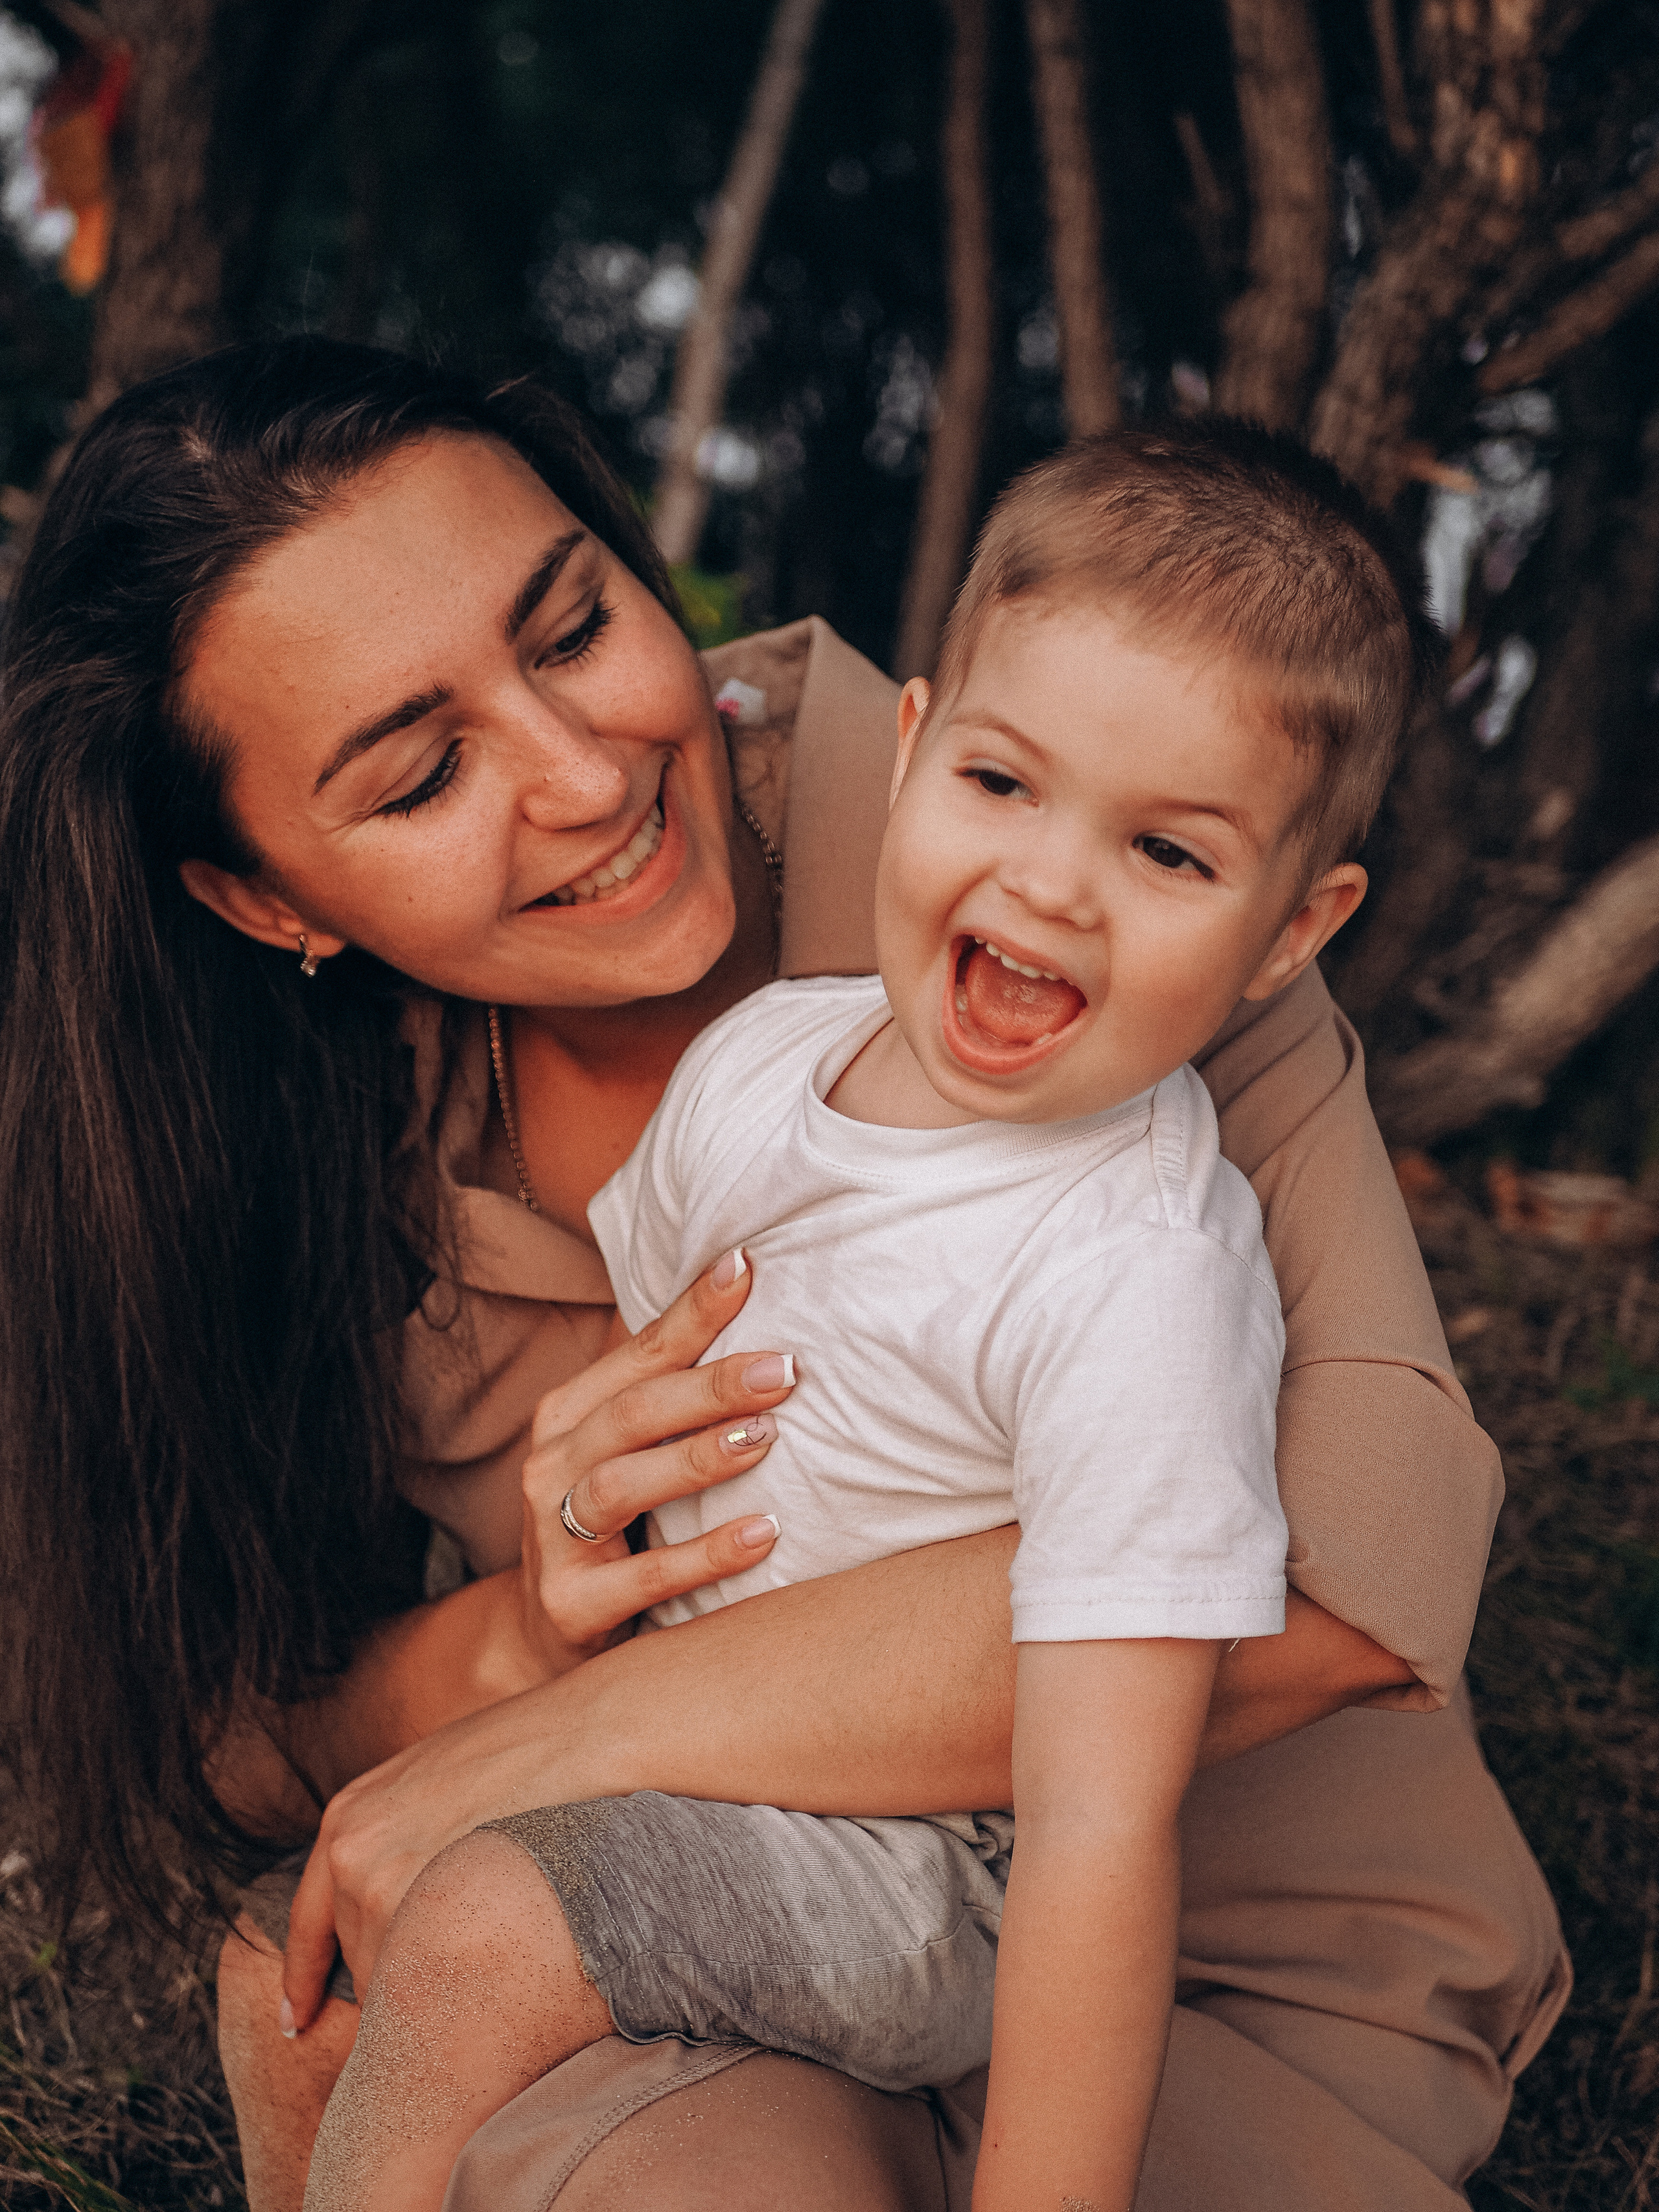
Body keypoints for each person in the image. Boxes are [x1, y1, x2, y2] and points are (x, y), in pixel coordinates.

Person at [0, 340, 1566, 2212]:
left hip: (1216, 1962)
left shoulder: (1090, 835)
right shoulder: (278, 1111)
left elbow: (1343, 1571)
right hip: (710, 1944)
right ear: (265, 898)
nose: (585, 777)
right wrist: (519, 1631)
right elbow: (238, 1724)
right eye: (425, 774)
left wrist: (560, 1738)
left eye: (575, 630)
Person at [297, 424, 1408, 2212]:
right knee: (319, 2007)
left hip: (934, 1867)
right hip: (715, 1777)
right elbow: (648, 1387)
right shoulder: (766, 1064)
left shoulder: (1136, 1268)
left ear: (1293, 935)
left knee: (484, 1918)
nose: (1051, 883)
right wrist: (573, 1536)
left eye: (1170, 855)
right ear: (910, 756)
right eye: (1004, 785)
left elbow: (1102, 1834)